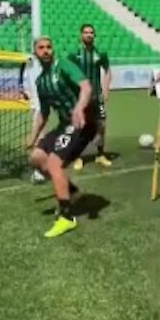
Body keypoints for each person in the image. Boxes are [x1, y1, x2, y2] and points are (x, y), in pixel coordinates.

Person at [26, 36, 98, 238]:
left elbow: (86, 86)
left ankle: (66, 218)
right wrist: (32, 138)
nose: (46, 50)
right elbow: (44, 113)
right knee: (37, 158)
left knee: (54, 163)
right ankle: (72, 192)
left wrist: (79, 108)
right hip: (64, 125)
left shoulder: (64, 65)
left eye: (49, 46)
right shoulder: (41, 82)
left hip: (82, 122)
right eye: (41, 48)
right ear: (36, 53)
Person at [65, 24, 113, 169]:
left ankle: (100, 154)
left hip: (96, 95)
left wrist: (105, 89)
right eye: (86, 32)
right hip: (80, 96)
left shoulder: (101, 53)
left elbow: (108, 70)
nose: (89, 35)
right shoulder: (74, 53)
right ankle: (78, 157)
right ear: (81, 35)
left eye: (91, 32)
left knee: (101, 124)